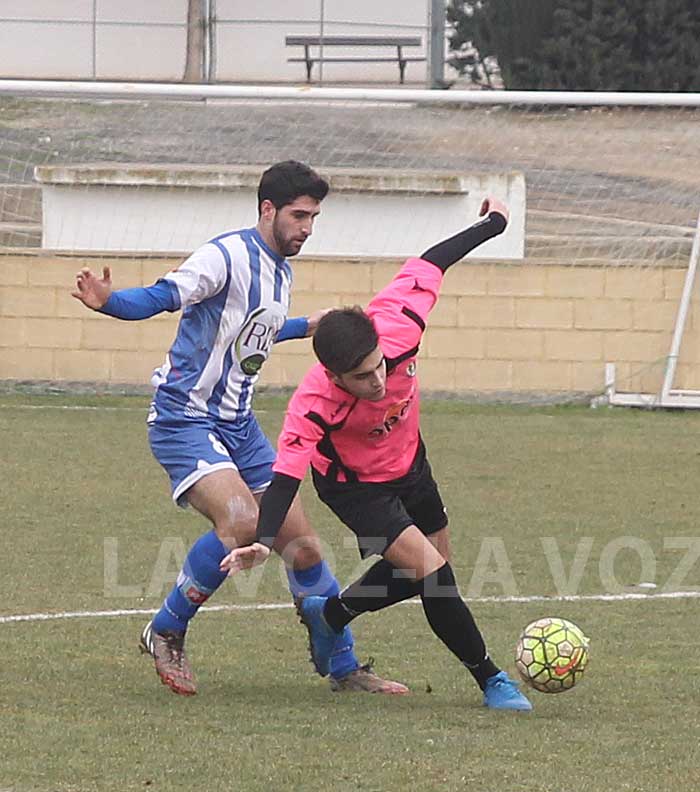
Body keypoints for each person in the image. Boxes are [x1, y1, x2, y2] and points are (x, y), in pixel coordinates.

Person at [72, 160, 407, 697]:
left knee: (304, 549)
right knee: (244, 521)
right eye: (299, 216)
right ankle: (166, 629)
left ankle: (344, 668)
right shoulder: (224, 256)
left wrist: (305, 326)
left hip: (238, 424)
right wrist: (111, 302)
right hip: (185, 416)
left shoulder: (281, 271)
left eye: (314, 218)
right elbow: (163, 295)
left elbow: (252, 330)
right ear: (268, 209)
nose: (307, 228)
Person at [219, 196, 533, 711]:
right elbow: (285, 477)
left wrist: (493, 223)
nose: (378, 381)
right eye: (362, 378)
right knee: (435, 575)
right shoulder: (313, 403)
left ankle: (331, 614)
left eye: (380, 366)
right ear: (334, 376)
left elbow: (433, 261)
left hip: (410, 462)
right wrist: (263, 541)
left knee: (429, 569)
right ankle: (492, 679)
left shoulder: (400, 323)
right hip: (356, 487)